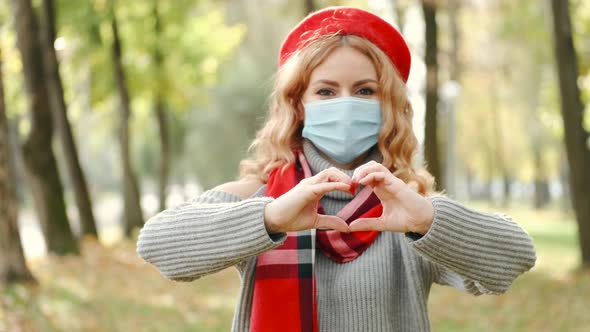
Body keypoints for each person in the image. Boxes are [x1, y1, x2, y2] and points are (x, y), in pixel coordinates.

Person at [137, 6, 536, 332]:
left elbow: (515, 257)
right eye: (326, 91)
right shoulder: (260, 196)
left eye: (365, 91)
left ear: (388, 106)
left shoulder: (404, 205)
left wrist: (428, 220)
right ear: (299, 104)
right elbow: (157, 246)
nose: (345, 103)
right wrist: (271, 218)